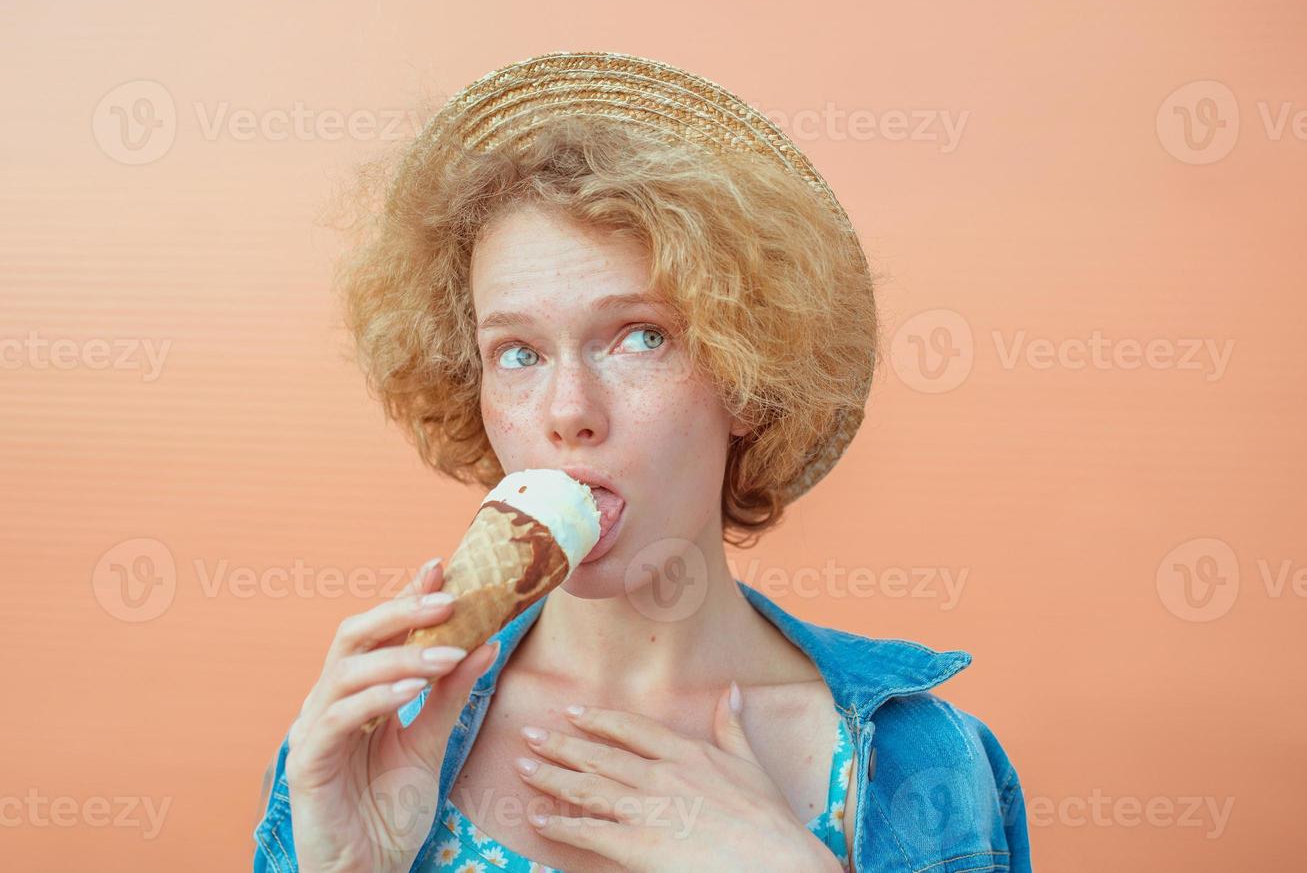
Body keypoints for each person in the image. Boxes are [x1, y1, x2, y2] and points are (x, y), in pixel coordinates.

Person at [252, 52, 1032, 873]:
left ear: (746, 377)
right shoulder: (369, 745)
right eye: (516, 352)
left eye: (639, 337)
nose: (568, 414)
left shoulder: (920, 760)